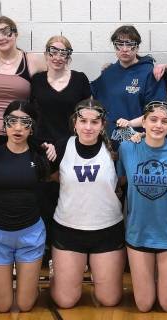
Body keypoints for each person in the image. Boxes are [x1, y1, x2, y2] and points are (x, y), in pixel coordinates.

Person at [0, 16, 46, 274]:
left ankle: (19, 254)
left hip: (18, 135)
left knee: (17, 193)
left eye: (6, 32)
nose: (1, 37)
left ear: (15, 33)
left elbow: (60, 72)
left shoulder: (32, 60)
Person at [116, 101, 167, 312]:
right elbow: (120, 180)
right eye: (153, 119)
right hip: (139, 231)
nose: (158, 125)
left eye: (164, 121)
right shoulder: (127, 148)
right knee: (143, 305)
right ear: (143, 121)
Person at [49, 99, 125, 308]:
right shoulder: (62, 146)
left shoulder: (116, 149)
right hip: (68, 229)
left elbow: (123, 179)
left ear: (103, 125)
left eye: (94, 122)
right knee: (66, 301)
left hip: (107, 230)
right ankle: (63, 273)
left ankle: (97, 275)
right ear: (75, 123)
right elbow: (53, 176)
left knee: (109, 300)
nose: (88, 127)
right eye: (83, 121)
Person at [0, 101, 49, 312]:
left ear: (32, 127)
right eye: (12, 121)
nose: (18, 128)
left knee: (25, 305)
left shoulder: (40, 156)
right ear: (4, 124)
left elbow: (62, 181)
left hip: (30, 235)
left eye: (24, 122)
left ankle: (30, 287)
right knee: (3, 306)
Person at [30, 35, 91, 271]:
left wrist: (62, 143)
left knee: (72, 199)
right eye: (52, 52)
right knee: (44, 199)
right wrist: (45, 143)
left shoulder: (79, 80)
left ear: (69, 56)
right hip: (44, 149)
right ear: (46, 55)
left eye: (62, 52)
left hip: (72, 146)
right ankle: (46, 253)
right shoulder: (36, 81)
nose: (57, 57)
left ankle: (70, 252)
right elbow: (32, 119)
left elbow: (86, 116)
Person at [91, 25, 167, 140]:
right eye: (120, 44)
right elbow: (88, 99)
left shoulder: (150, 74)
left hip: (138, 141)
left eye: (130, 44)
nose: (124, 49)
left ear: (137, 47)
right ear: (115, 46)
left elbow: (158, 112)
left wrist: (130, 124)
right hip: (107, 143)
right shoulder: (108, 72)